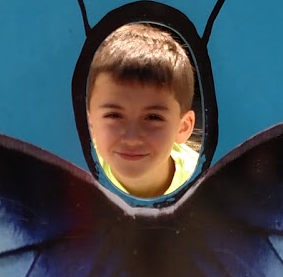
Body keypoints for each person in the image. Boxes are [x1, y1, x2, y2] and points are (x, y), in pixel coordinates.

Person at [85, 23, 199, 198]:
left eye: (153, 117)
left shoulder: (204, 184)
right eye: (114, 115)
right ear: (90, 123)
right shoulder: (77, 177)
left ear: (183, 127)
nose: (132, 138)